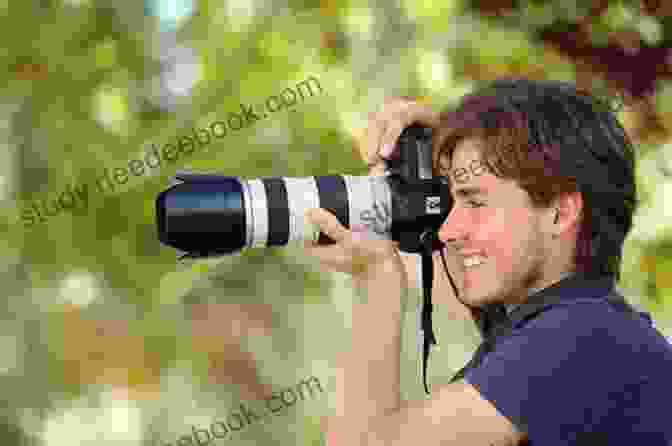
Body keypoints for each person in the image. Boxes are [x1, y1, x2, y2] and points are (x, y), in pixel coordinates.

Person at [304, 78, 672, 445]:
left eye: (474, 202)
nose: (447, 230)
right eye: (449, 201)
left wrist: (377, 282)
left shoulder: (583, 340)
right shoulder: (573, 328)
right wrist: (432, 151)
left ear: (560, 213)